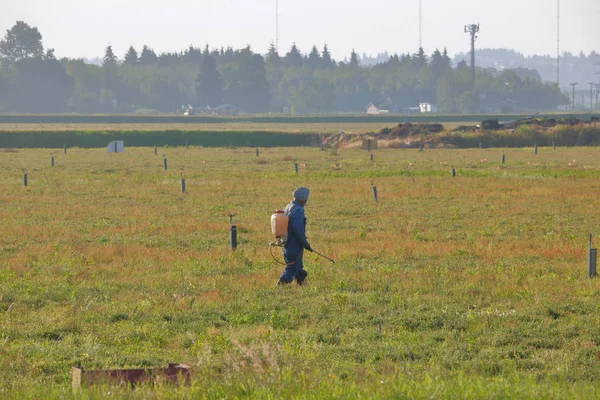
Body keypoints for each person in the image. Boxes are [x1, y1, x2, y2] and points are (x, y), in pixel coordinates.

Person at [277, 187, 313, 286]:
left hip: (286, 243)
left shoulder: (288, 207)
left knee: (297, 267)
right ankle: (279, 287)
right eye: (306, 199)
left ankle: (303, 287)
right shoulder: (298, 210)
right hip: (294, 244)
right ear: (302, 199)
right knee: (292, 268)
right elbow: (298, 230)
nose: (306, 201)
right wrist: (306, 244)